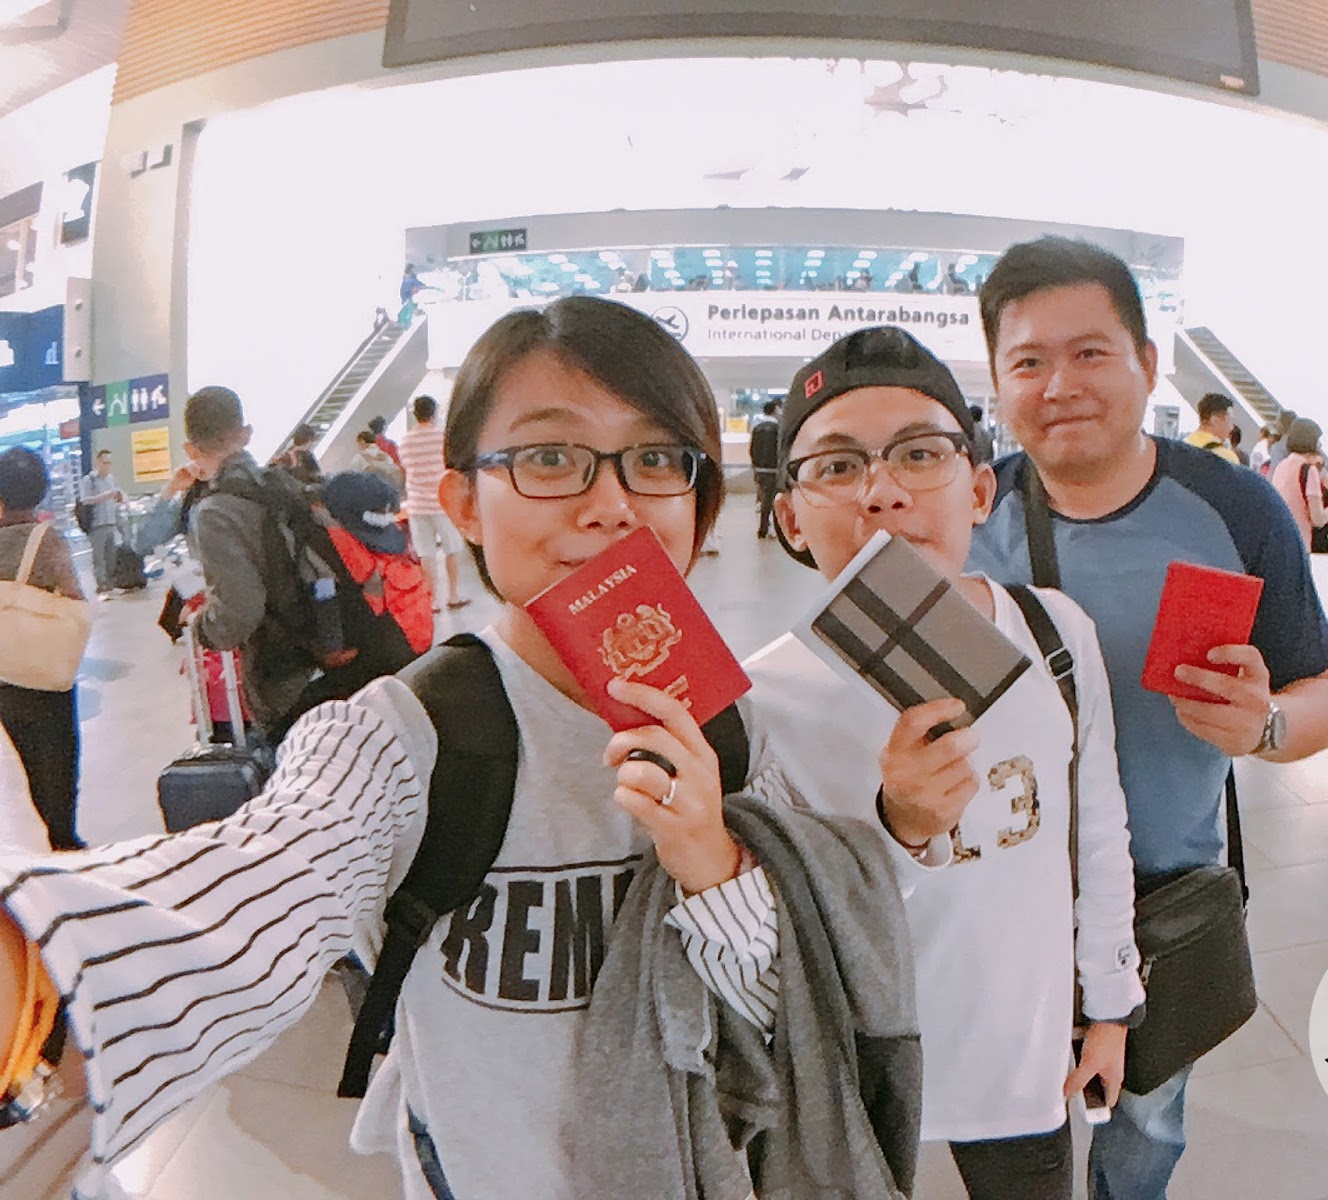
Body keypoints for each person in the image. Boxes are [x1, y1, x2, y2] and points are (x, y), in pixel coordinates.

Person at [0, 299, 915, 1200]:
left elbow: (794, 998)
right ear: (464, 503)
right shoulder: (408, 734)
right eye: (550, 457)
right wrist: (35, 978)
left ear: (698, 503)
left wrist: (716, 868)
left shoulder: (731, 724)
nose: (611, 505)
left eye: (653, 460)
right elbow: (275, 868)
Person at [966, 236, 1328, 1200]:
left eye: (1090, 353)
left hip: (1160, 904)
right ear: (998, 381)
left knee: (1147, 1121)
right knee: (1014, 1122)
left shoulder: (1234, 509)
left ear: (1146, 361)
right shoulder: (968, 517)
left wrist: (1264, 725)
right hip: (1000, 897)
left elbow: (1325, 696)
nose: (1060, 385)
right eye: (1028, 361)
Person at [747, 326, 1142, 1199]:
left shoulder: (1053, 634)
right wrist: (899, 830)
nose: (882, 492)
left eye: (920, 454)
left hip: (1022, 1055)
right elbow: (770, 928)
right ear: (790, 517)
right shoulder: (759, 699)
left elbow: (1097, 826)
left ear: (979, 490)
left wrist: (1110, 1004)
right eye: (837, 466)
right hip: (854, 1073)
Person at [179, 387, 391, 744]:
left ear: (190, 449)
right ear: (246, 434)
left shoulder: (214, 512)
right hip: (339, 646)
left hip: (286, 678)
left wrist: (201, 625)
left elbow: (239, 612)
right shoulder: (285, 482)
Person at [0, 447, 86, 852]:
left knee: (15, 767)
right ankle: (61, 839)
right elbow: (73, 596)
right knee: (55, 763)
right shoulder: (49, 541)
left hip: (3, 676)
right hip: (47, 675)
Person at [398, 395, 469, 610]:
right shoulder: (442, 438)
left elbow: (405, 468)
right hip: (442, 502)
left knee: (426, 553)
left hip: (417, 505)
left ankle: (433, 600)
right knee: (451, 549)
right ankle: (453, 595)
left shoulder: (405, 441)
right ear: (434, 413)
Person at [1271, 417, 1328, 551]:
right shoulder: (1309, 470)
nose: (1320, 445)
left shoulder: (1281, 466)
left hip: (1279, 540)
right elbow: (1318, 519)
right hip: (1299, 544)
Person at [80, 448, 123, 595]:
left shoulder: (111, 479)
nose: (107, 466)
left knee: (111, 555)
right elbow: (85, 500)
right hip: (96, 524)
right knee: (99, 557)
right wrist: (105, 496)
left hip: (111, 522)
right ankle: (101, 583)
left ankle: (111, 582)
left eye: (109, 463)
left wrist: (119, 497)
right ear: (98, 462)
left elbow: (116, 496)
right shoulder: (89, 480)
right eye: (104, 462)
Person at [748, 398, 781, 539]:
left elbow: (752, 449)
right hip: (773, 469)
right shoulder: (777, 429)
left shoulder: (757, 428)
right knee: (772, 500)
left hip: (760, 469)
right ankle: (766, 529)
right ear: (775, 410)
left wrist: (755, 465)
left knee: (764, 498)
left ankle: (765, 527)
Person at [1183, 393, 1241, 464]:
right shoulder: (1226, 457)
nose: (1231, 428)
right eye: (1229, 421)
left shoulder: (1182, 447)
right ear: (1214, 420)